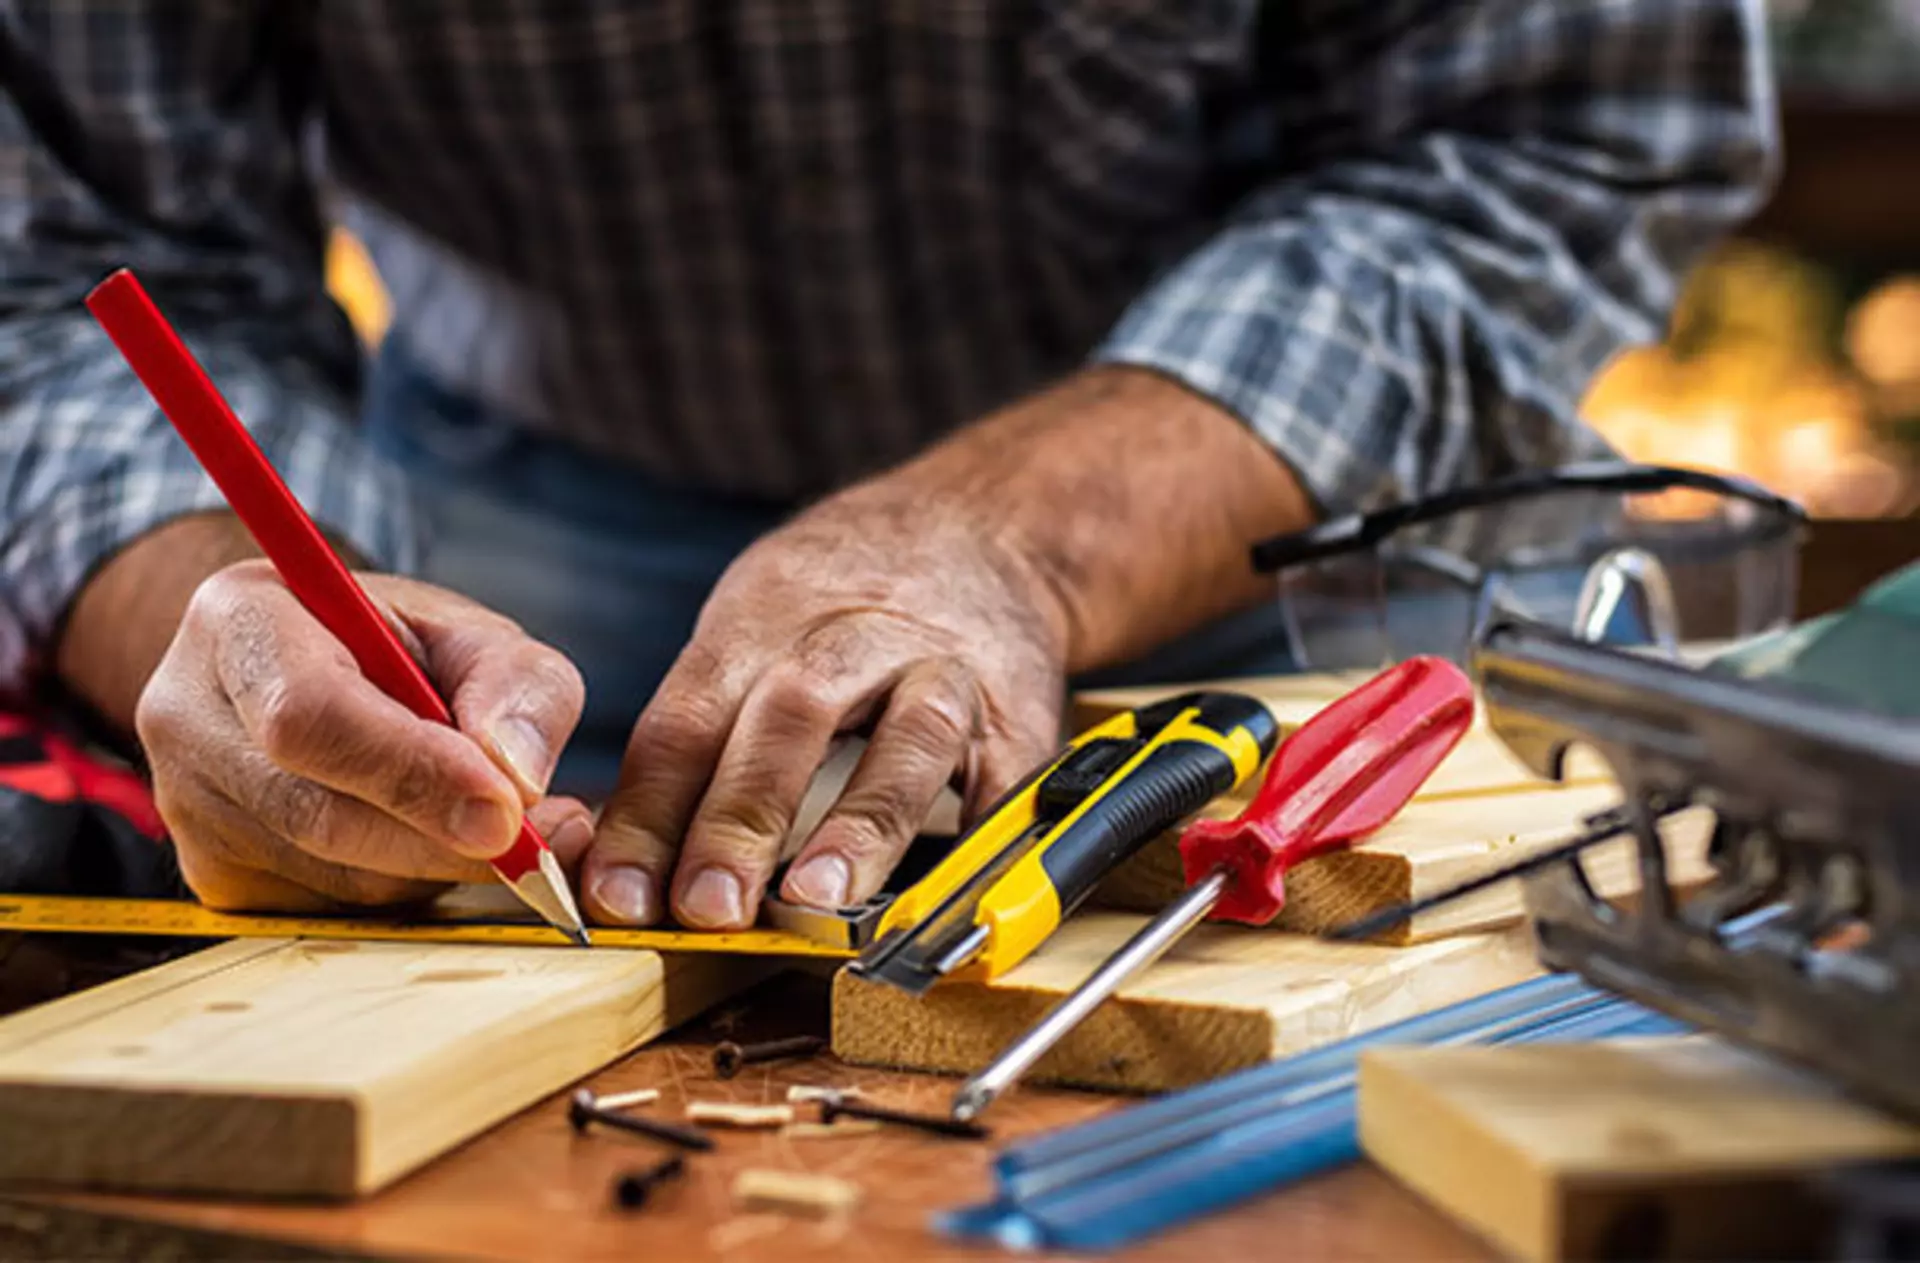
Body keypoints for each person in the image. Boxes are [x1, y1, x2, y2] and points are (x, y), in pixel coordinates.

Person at [0, 3, 1774, 932]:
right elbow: (72, 267)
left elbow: (1548, 133)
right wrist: (237, 640)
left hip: (1302, 517)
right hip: (521, 547)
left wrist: (1009, 544)